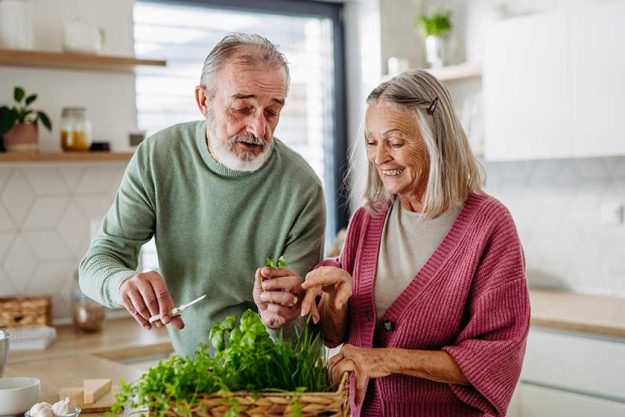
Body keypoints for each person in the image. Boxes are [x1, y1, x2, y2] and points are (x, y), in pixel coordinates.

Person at [79, 33, 326, 357]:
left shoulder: (302, 188)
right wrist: (122, 283)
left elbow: (305, 328)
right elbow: (98, 261)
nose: (259, 129)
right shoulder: (159, 157)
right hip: (195, 374)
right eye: (242, 108)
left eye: (271, 112)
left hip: (278, 380)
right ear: (203, 101)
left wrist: (281, 318)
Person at [301, 69, 530, 417]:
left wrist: (387, 360)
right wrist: (335, 304)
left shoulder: (489, 226)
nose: (379, 158)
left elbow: (495, 356)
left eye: (395, 142)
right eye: (371, 141)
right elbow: (337, 335)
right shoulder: (368, 219)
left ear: (436, 140)